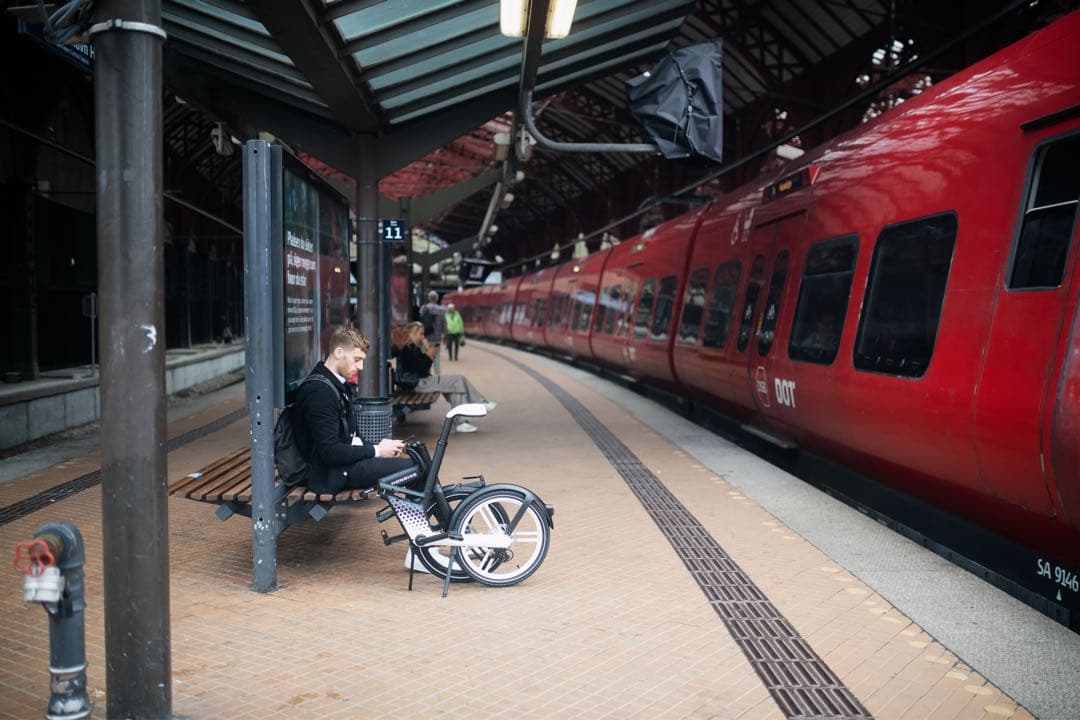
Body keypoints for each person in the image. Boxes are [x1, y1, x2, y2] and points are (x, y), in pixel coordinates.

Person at [293, 326, 415, 493]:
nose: (361, 366)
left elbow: (350, 438)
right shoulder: (318, 392)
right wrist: (377, 450)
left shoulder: (333, 384)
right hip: (331, 474)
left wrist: (378, 446)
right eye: (357, 359)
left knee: (419, 460)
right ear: (338, 353)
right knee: (418, 467)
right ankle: (426, 517)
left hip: (341, 466)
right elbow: (330, 452)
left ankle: (424, 516)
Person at [392, 322, 495, 433]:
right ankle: (478, 403)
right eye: (421, 334)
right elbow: (420, 370)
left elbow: (421, 369)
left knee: (457, 388)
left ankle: (462, 423)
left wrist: (427, 353)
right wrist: (428, 354)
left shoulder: (412, 347)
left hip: (422, 382)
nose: (423, 337)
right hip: (418, 383)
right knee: (458, 379)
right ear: (413, 333)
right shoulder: (408, 348)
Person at [419, 290, 446, 375]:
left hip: (426, 338)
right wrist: (445, 335)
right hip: (437, 339)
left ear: (429, 298)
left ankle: (426, 374)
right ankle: (437, 376)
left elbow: (420, 322)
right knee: (437, 358)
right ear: (437, 299)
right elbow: (445, 324)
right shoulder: (442, 309)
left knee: (426, 357)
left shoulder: (424, 308)